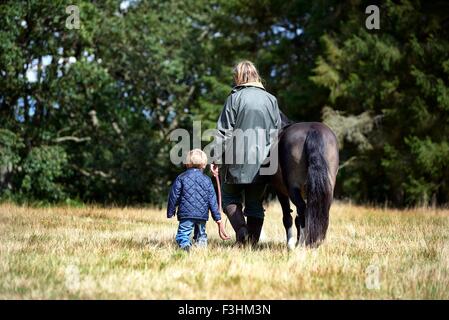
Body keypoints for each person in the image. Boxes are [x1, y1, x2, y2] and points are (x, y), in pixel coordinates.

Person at [210, 60, 281, 245]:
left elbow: (224, 132)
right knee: (255, 203)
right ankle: (251, 244)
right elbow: (277, 132)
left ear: (239, 77)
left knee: (228, 197)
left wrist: (216, 157)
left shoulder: (234, 98)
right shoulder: (271, 100)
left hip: (236, 159)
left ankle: (241, 232)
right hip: (264, 161)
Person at [167, 149, 229, 251]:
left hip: (186, 214)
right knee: (201, 235)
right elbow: (212, 201)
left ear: (187, 163)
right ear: (204, 164)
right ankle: (201, 250)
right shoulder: (207, 180)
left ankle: (185, 246)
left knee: (183, 234)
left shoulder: (181, 178)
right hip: (202, 215)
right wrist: (217, 217)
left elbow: (174, 196)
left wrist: (170, 211)